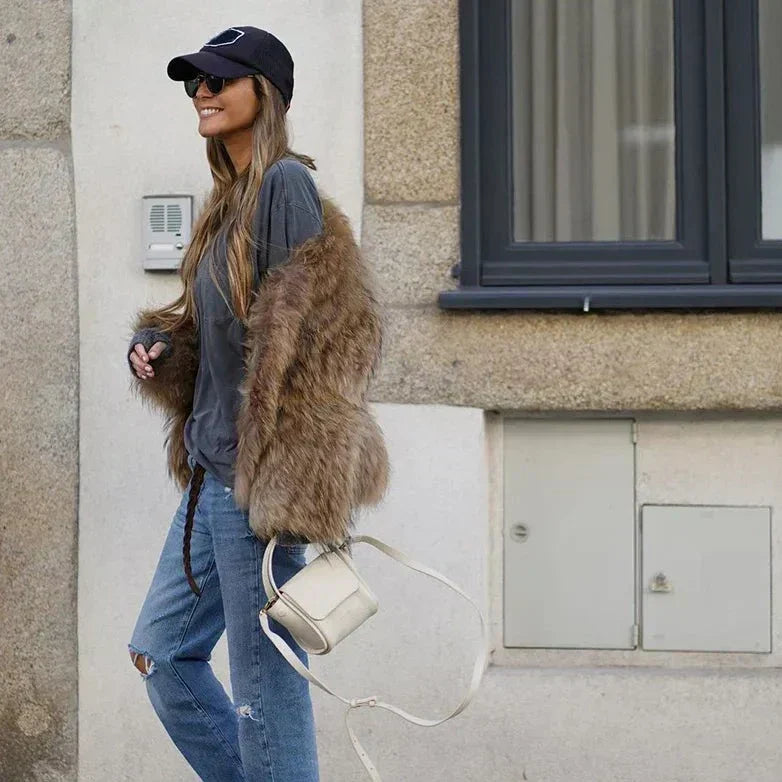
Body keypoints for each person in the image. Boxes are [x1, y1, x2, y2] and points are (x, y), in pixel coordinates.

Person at [124, 26, 390, 782]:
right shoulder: (227, 205)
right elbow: (224, 341)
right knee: (163, 654)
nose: (201, 92)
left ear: (262, 91)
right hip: (211, 477)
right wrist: (159, 349)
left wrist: (290, 482)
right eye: (194, 82)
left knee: (266, 690)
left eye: (219, 78)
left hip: (255, 484)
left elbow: (323, 344)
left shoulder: (284, 189)